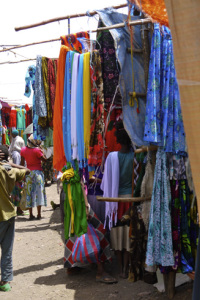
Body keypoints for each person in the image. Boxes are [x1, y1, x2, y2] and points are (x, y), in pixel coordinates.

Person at [101, 120, 134, 279]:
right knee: (128, 235)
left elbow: (106, 183)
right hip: (130, 200)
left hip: (115, 203)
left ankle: (120, 268)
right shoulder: (136, 156)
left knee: (117, 235)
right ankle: (127, 269)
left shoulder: (112, 157)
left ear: (118, 141)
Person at [0, 145, 30, 292]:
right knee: (7, 250)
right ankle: (5, 281)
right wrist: (10, 164)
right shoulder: (10, 171)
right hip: (8, 215)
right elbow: (27, 171)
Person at [20, 134, 47, 220]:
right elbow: (45, 160)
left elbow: (21, 164)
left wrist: (23, 175)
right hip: (38, 174)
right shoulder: (37, 150)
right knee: (39, 193)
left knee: (29, 193)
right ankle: (39, 214)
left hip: (28, 173)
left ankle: (31, 214)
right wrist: (42, 151)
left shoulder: (23, 150)